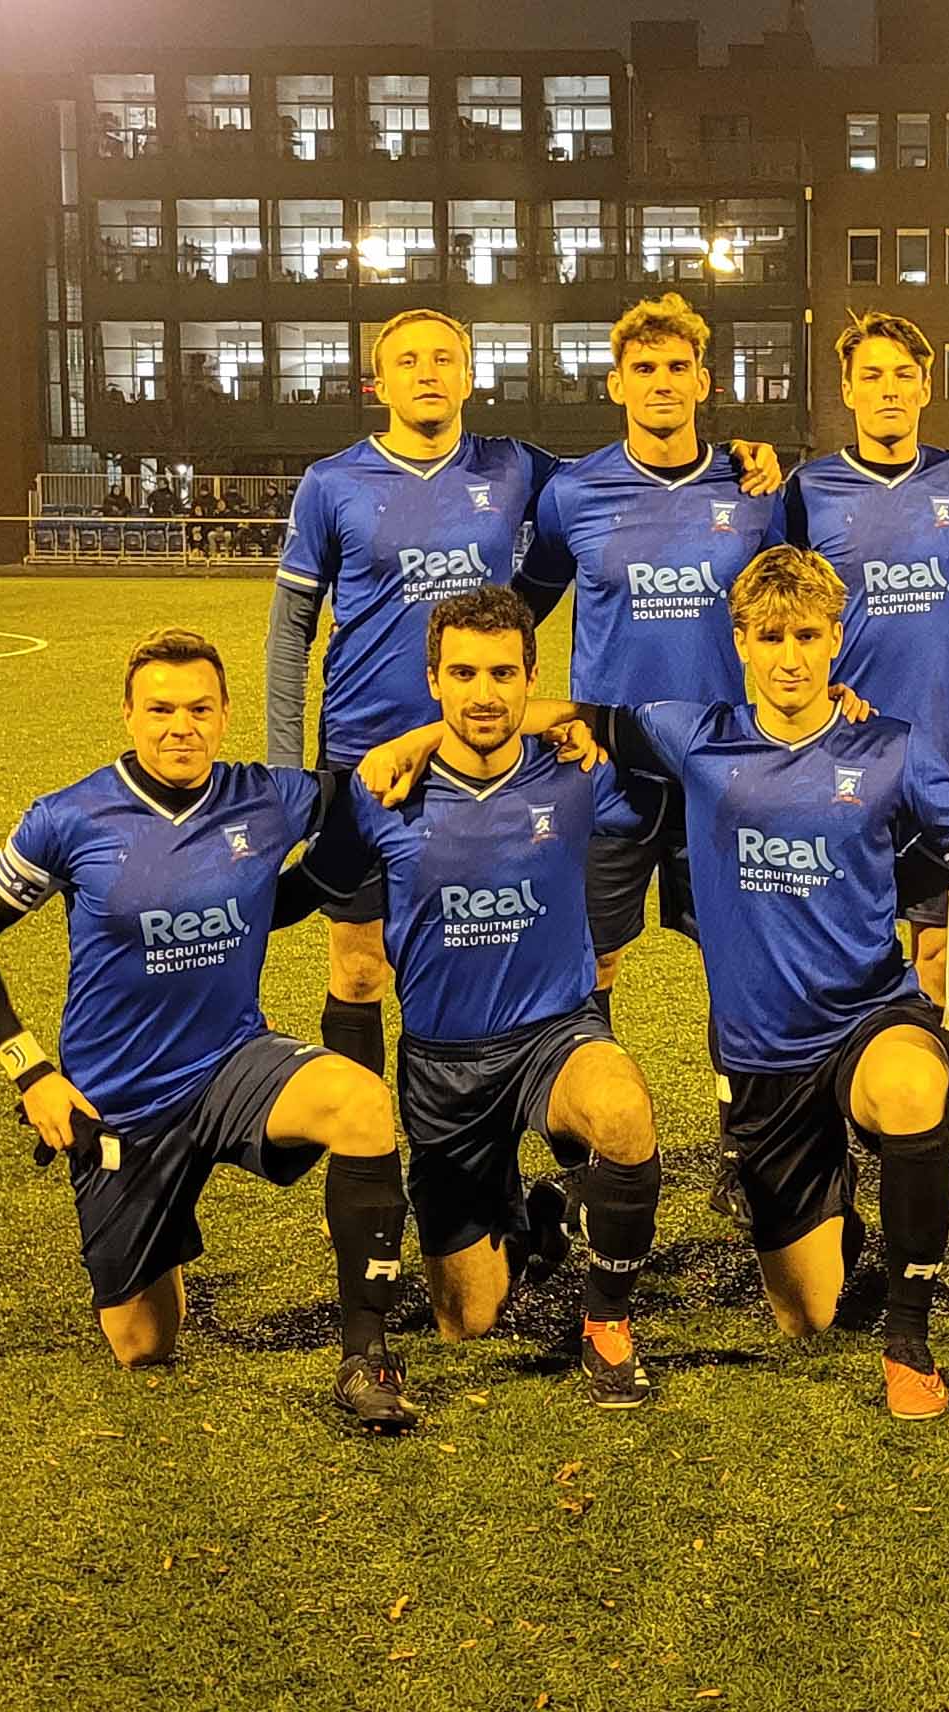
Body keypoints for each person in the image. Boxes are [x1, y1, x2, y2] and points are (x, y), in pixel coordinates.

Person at [363, 548, 949, 1419]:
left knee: (913, 1089)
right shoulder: (694, 737)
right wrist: (421, 735)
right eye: (771, 637)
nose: (791, 658)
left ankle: (908, 1340)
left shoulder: (889, 748)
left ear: (835, 639)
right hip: (761, 1058)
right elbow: (556, 712)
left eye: (809, 637)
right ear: (740, 640)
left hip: (866, 1015)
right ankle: (826, 1212)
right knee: (805, 1314)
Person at [268, 305, 777, 1247]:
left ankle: (721, 1153)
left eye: (445, 358)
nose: (428, 372)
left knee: (718, 961)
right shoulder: (339, 482)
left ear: (471, 375)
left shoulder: (528, 472)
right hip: (373, 751)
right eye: (408, 360)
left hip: (615, 760)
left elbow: (527, 604)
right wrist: (282, 768)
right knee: (372, 960)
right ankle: (378, 1148)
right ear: (378, 379)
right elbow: (298, 626)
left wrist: (755, 451)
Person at [0, 628, 417, 1427]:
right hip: (117, 1103)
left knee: (360, 1103)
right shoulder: (67, 819)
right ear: (128, 714)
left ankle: (367, 1357)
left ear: (225, 716)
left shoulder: (270, 796)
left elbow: (372, 787)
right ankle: (158, 1226)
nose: (179, 726)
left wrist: (524, 727)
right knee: (144, 1343)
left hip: (231, 1063)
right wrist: (31, 1072)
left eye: (198, 709)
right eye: (160, 709)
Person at [292, 590, 671, 1407]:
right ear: (434, 680)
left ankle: (606, 1323)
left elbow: (673, 763)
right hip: (443, 1069)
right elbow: (304, 892)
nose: (485, 692)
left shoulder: (574, 781)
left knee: (624, 1113)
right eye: (463, 672)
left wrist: (578, 727)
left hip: (552, 1040)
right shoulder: (384, 793)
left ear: (531, 679)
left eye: (504, 673)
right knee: (467, 1320)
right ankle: (537, 1219)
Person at [781, 309, 949, 1229]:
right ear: (849, 390)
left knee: (945, 962)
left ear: (925, 386)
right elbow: (777, 610)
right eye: (868, 375)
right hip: (835, 767)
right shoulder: (807, 490)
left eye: (900, 375)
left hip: (943, 762)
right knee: (834, 958)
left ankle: (937, 1153)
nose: (886, 389)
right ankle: (812, 1148)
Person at [508, 293, 788, 1027]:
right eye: (643, 367)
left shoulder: (754, 491)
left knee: (740, 957)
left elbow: (799, 615)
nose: (661, 380)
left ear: (704, 381)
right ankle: (594, 1129)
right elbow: (524, 608)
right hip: (606, 766)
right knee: (591, 956)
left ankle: (746, 1130)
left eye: (677, 366)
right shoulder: (572, 493)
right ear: (616, 384)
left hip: (725, 764)